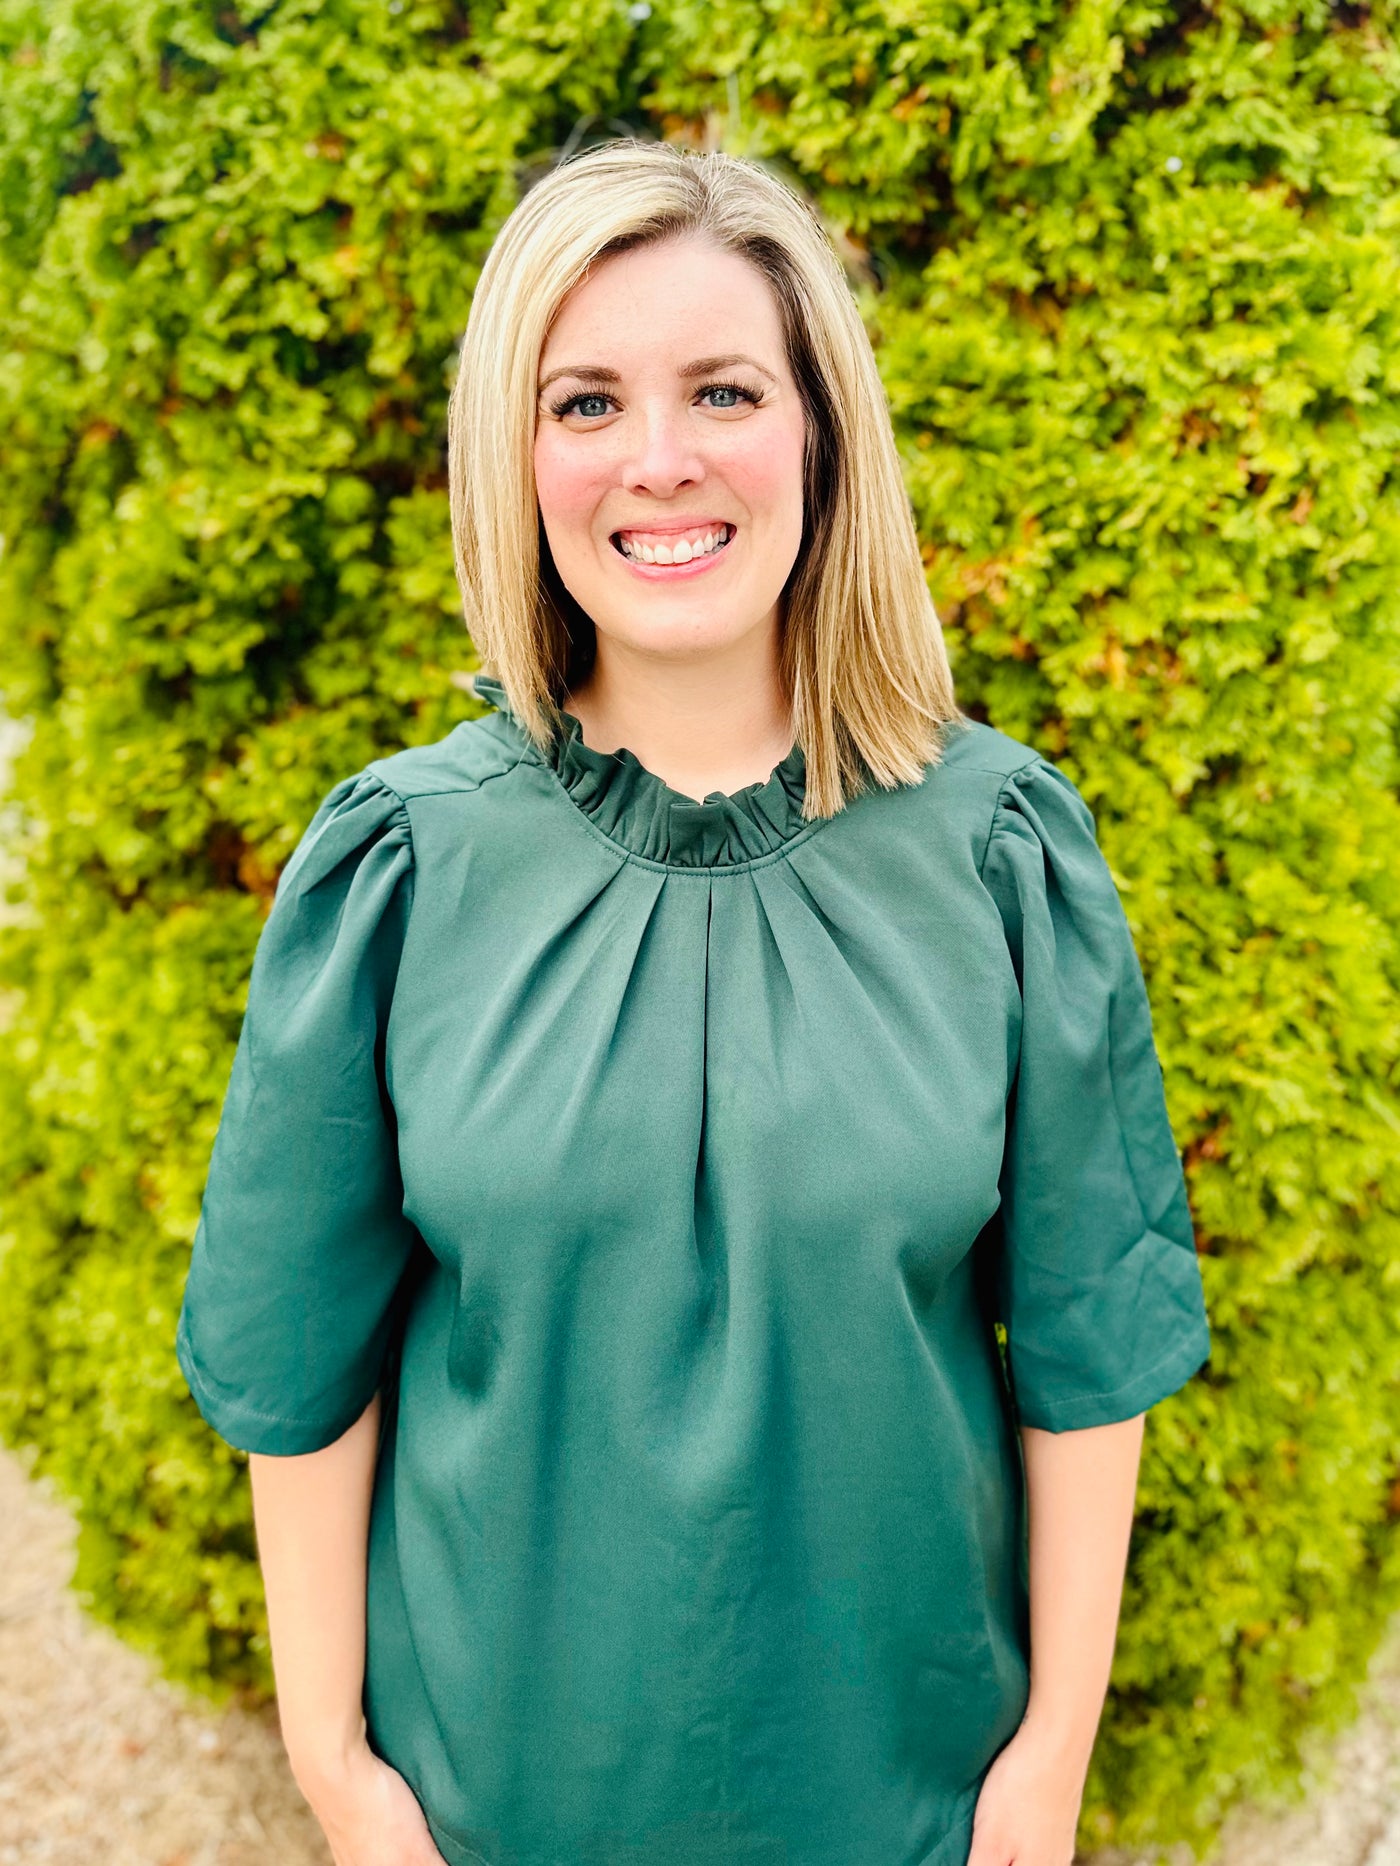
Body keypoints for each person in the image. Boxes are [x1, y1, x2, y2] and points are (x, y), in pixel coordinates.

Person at [175, 138, 1212, 1866]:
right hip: (491, 1806)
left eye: (722, 389)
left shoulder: (1000, 848)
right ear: (514, 457)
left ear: (817, 428)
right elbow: (299, 1362)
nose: (659, 462)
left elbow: (1091, 1346)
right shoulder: (400, 869)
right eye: (584, 403)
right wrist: (338, 1774)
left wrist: (1044, 1769)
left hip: (906, 1801)